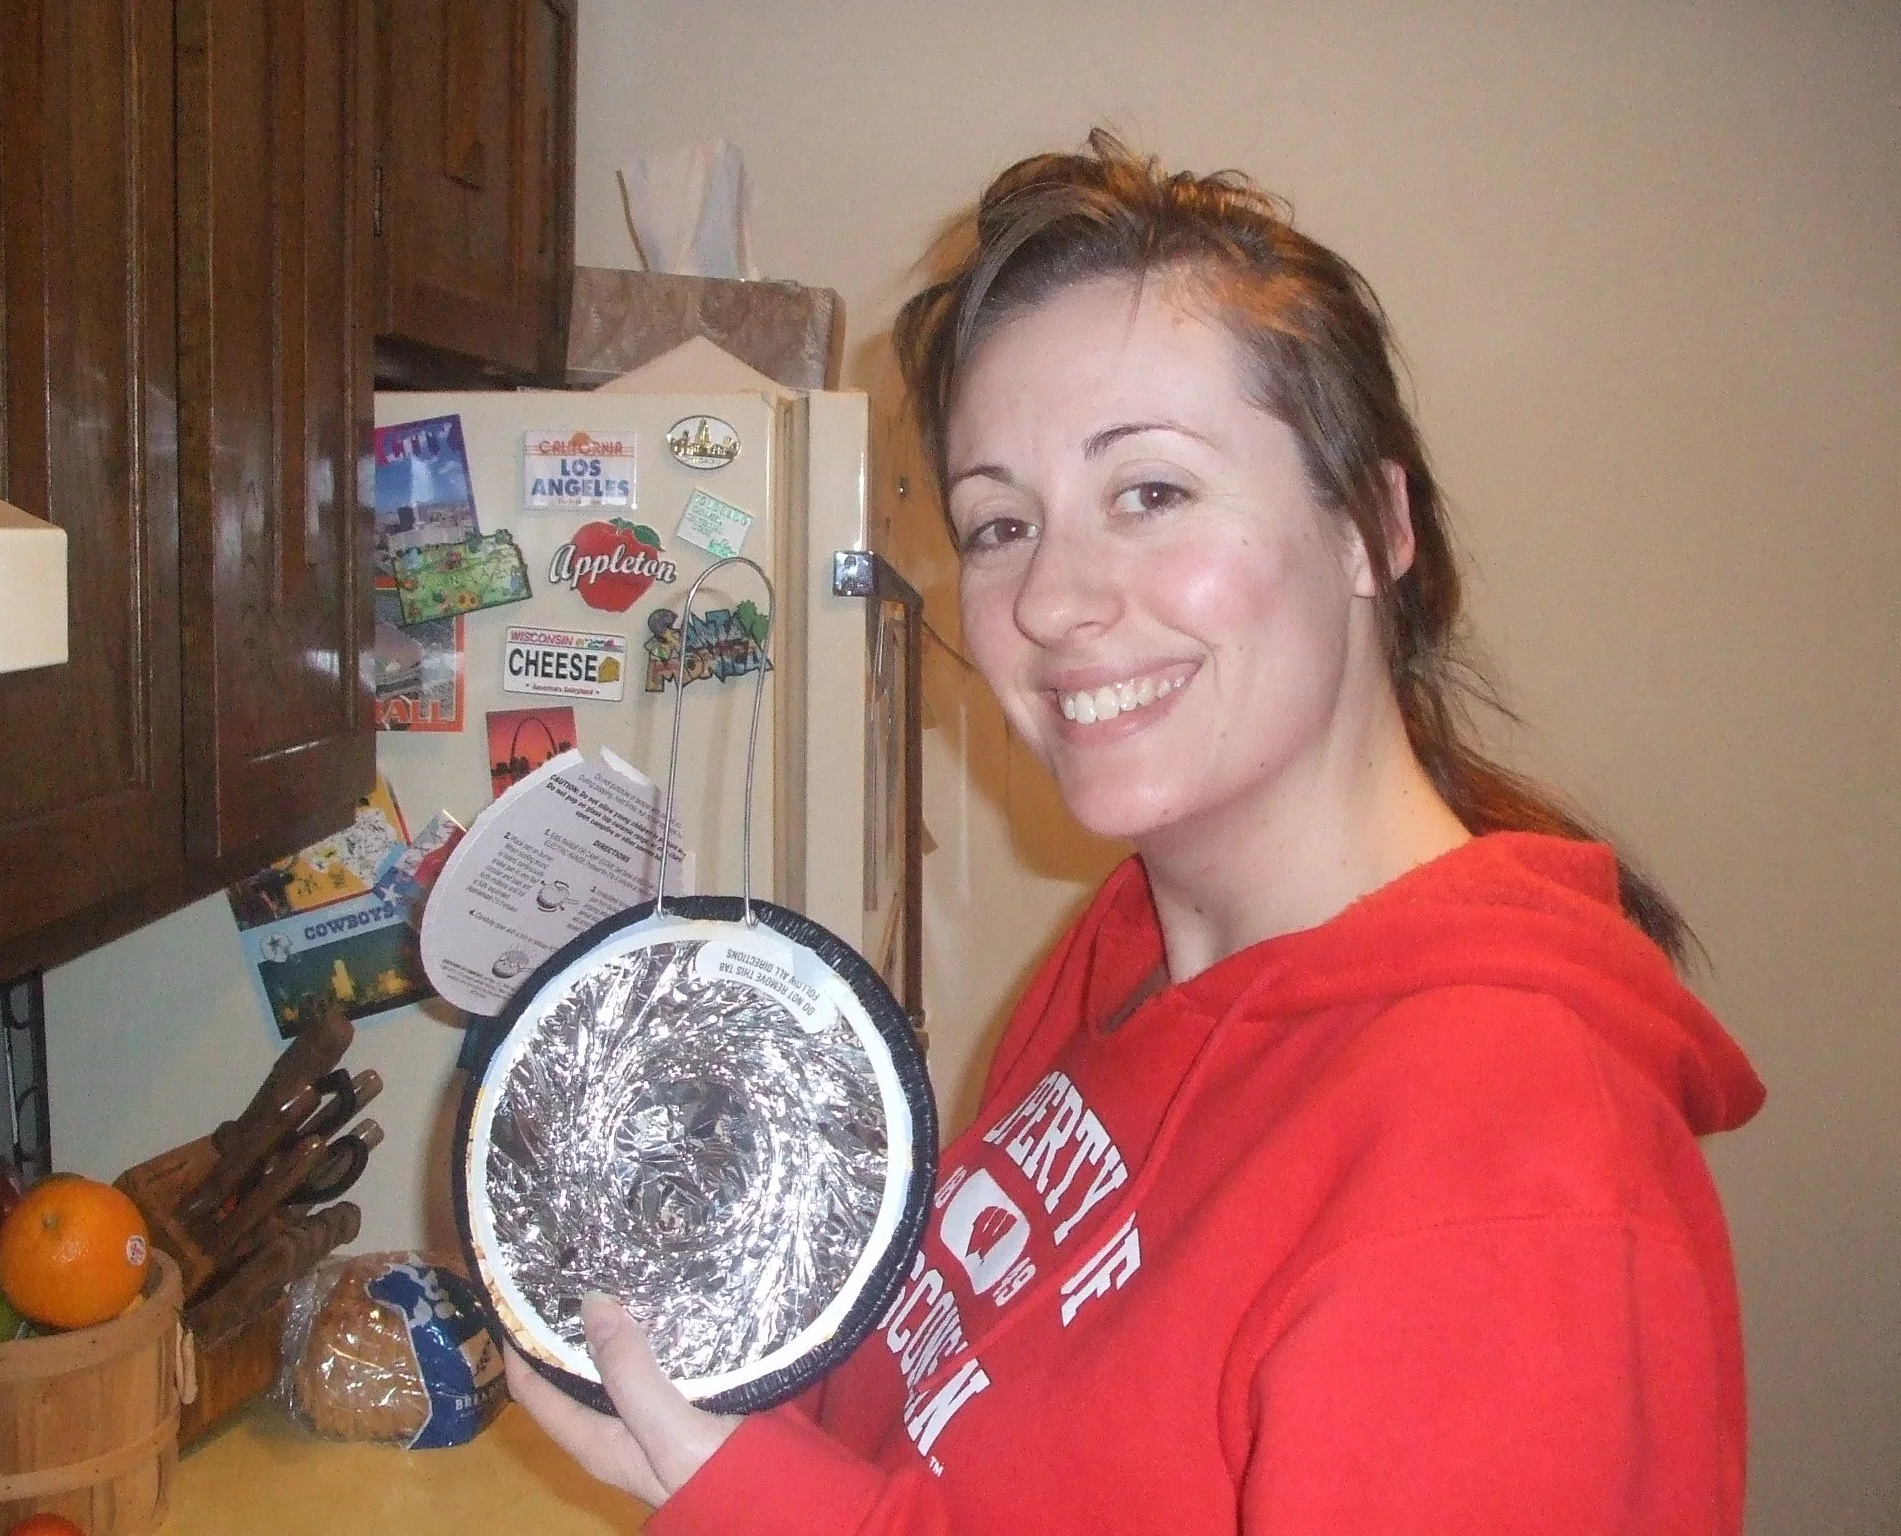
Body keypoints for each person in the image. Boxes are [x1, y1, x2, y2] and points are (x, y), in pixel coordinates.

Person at [504, 132, 1766, 1534]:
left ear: (1372, 526)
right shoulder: (1133, 944)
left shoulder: (1514, 1184)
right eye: (999, 525)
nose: (1050, 600)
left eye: (1150, 493)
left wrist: (769, 1507)